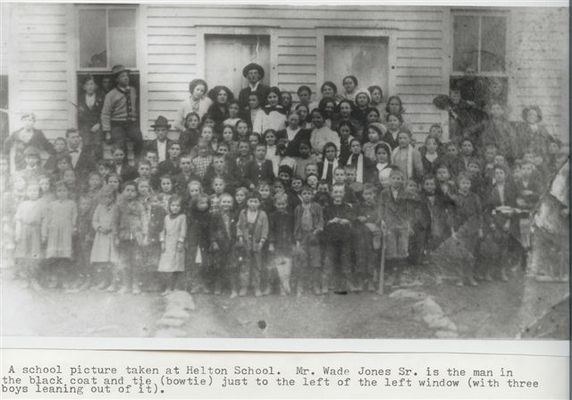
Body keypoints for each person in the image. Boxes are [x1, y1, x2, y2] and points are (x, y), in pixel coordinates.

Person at [112, 180, 148, 294]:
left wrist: (145, 235)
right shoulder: (118, 206)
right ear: (123, 192)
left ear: (136, 193)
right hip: (124, 237)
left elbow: (144, 220)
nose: (130, 193)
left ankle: (135, 284)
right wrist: (116, 237)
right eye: (127, 190)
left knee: (137, 261)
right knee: (124, 262)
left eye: (133, 190)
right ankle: (126, 285)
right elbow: (114, 222)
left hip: (137, 238)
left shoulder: (139, 205)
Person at [101, 65, 143, 158]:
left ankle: (137, 165)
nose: (126, 78)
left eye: (127, 76)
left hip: (131, 124)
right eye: (122, 76)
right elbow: (105, 114)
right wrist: (107, 132)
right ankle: (124, 168)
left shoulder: (133, 90)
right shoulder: (111, 95)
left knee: (139, 139)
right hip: (117, 125)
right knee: (120, 144)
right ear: (117, 79)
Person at [42, 181, 78, 289]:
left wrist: (73, 227)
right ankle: (54, 279)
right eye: (59, 191)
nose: (61, 193)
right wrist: (45, 233)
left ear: (68, 191)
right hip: (54, 232)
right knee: (54, 257)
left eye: (64, 190)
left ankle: (64, 280)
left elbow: (74, 217)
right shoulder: (52, 204)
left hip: (66, 231)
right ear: (56, 192)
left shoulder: (72, 203)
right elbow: (47, 219)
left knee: (65, 257)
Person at [237, 192, 269, 296]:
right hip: (246, 242)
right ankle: (244, 287)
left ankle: (257, 288)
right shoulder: (243, 213)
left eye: (255, 201)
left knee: (257, 266)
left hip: (257, 243)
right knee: (245, 265)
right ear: (247, 202)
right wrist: (240, 237)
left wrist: (262, 241)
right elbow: (239, 226)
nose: (253, 204)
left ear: (259, 203)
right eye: (251, 201)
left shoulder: (262, 214)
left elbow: (265, 229)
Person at [293, 185, 324, 295]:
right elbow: (296, 224)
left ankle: (315, 285)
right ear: (301, 196)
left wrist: (316, 231)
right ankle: (301, 286)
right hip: (302, 237)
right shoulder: (298, 208)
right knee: (302, 261)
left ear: (312, 195)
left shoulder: (316, 206)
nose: (307, 196)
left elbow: (321, 221)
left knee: (315, 261)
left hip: (314, 236)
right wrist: (297, 239)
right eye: (304, 194)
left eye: (309, 194)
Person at [14, 182, 44, 289]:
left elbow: (44, 220)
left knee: (35, 255)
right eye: (30, 190)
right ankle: (26, 279)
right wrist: (17, 233)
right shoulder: (23, 204)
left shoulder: (41, 204)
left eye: (35, 190)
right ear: (27, 192)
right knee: (24, 254)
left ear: (38, 192)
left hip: (36, 230)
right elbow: (18, 219)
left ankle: (34, 278)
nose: (33, 193)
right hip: (24, 230)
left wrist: (43, 234)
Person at [90, 185, 118, 290]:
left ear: (114, 197)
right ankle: (105, 281)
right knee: (103, 261)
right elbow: (94, 220)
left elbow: (118, 220)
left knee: (112, 260)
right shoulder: (99, 207)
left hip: (112, 236)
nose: (107, 199)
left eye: (110, 197)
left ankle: (114, 282)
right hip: (101, 237)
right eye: (105, 197)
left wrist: (111, 228)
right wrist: (100, 228)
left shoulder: (116, 207)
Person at [209, 193, 238, 297]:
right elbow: (212, 230)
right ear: (220, 203)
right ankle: (218, 287)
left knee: (232, 266)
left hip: (231, 244)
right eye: (224, 202)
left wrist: (237, 241)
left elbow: (237, 229)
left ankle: (233, 289)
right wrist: (214, 242)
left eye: (229, 202)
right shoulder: (215, 215)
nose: (226, 204)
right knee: (218, 266)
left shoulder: (234, 215)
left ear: (232, 204)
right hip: (220, 244)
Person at [158, 195, 187, 295]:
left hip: (177, 244)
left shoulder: (182, 217)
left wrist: (180, 242)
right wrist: (162, 242)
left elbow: (183, 231)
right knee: (166, 267)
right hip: (167, 244)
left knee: (176, 266)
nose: (175, 207)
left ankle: (174, 287)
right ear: (169, 206)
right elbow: (162, 230)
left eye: (178, 206)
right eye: (173, 205)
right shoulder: (166, 217)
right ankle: (167, 287)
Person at [77, 75, 104, 153]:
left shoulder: (101, 97)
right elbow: (80, 115)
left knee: (98, 144)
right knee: (86, 144)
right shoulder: (80, 98)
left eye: (92, 84)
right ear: (84, 87)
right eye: (87, 84)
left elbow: (105, 112)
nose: (90, 87)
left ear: (95, 86)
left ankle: (98, 163)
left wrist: (99, 123)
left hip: (98, 125)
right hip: (85, 126)